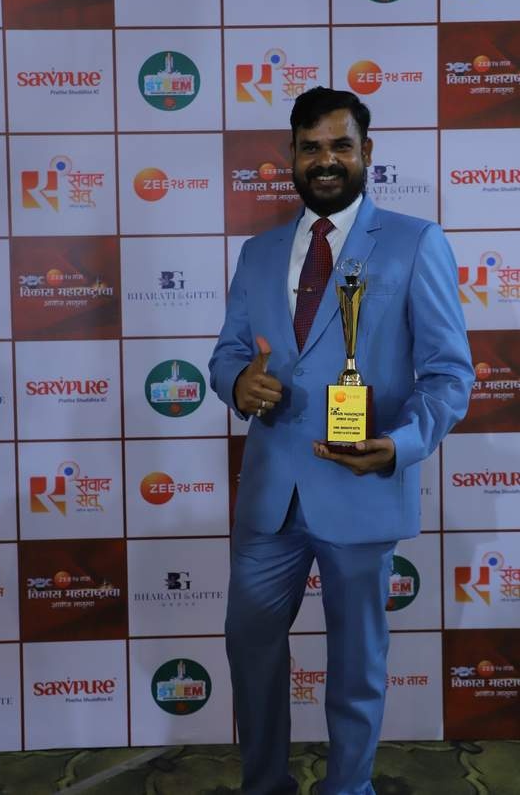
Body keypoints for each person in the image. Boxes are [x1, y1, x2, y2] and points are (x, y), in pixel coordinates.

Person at [209, 86, 474, 795]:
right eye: (311, 148)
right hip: (270, 498)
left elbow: (449, 374)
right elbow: (228, 352)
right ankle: (264, 786)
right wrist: (238, 383)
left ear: (366, 152)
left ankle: (348, 789)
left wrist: (402, 444)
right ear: (292, 156)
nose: (325, 161)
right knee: (251, 651)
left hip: (362, 487)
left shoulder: (416, 243)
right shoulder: (259, 253)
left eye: (340, 146)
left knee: (356, 665)